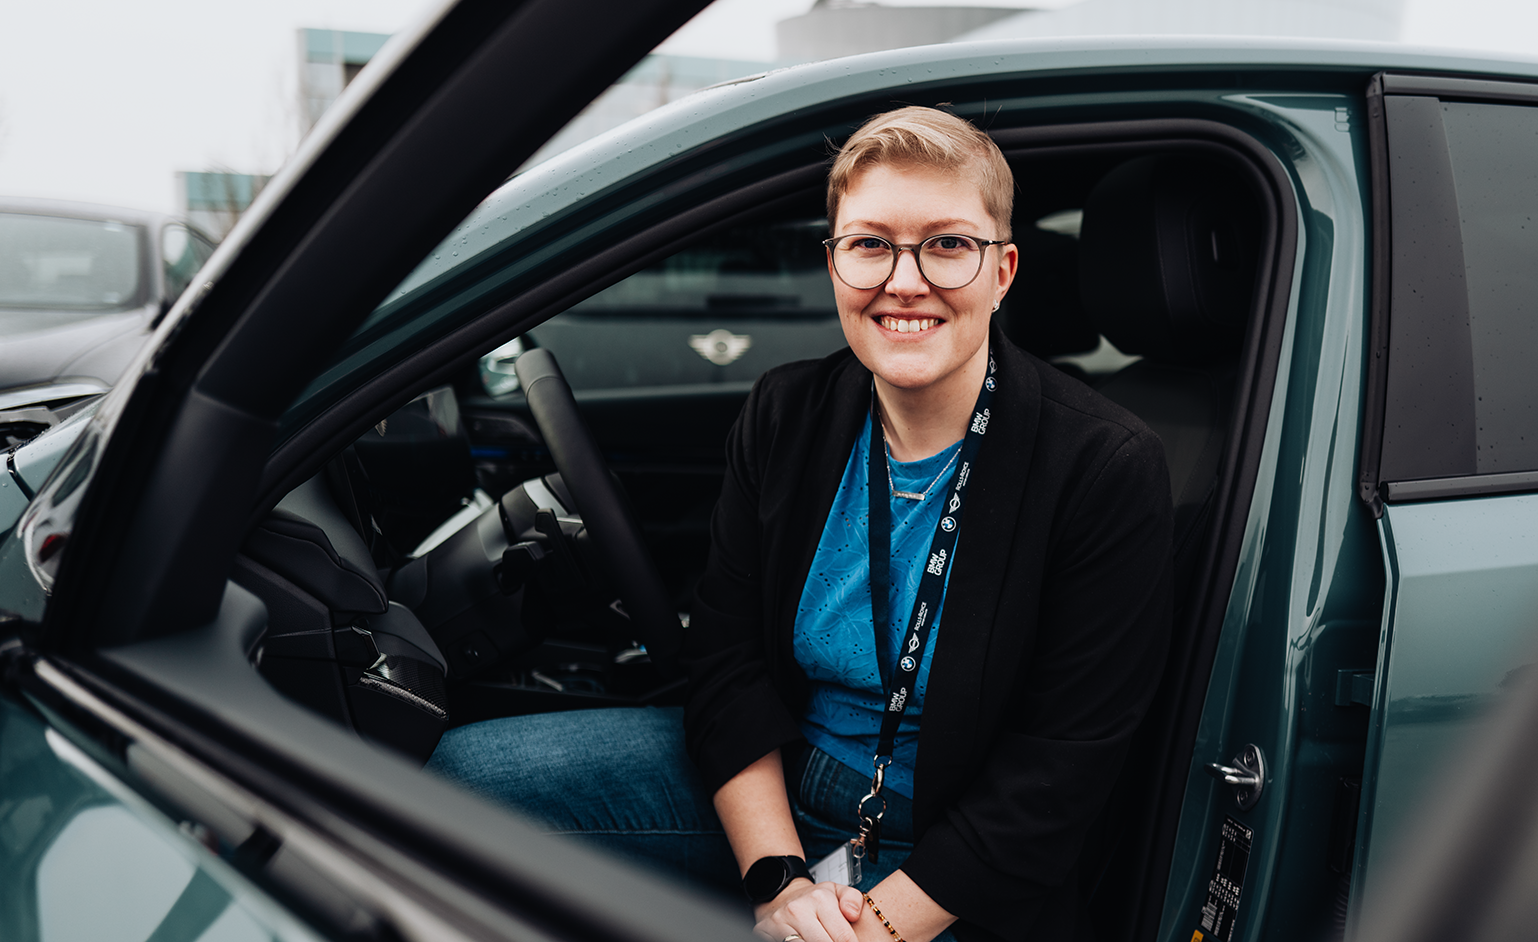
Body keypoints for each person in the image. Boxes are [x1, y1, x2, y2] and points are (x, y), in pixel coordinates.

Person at [428, 106, 1174, 942]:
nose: (905, 280)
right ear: (834, 265)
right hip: (781, 787)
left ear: (1002, 272)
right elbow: (727, 658)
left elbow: (1057, 772)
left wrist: (869, 929)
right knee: (456, 779)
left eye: (947, 244)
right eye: (870, 243)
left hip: (957, 850)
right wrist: (779, 884)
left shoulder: (1104, 465)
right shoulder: (786, 412)